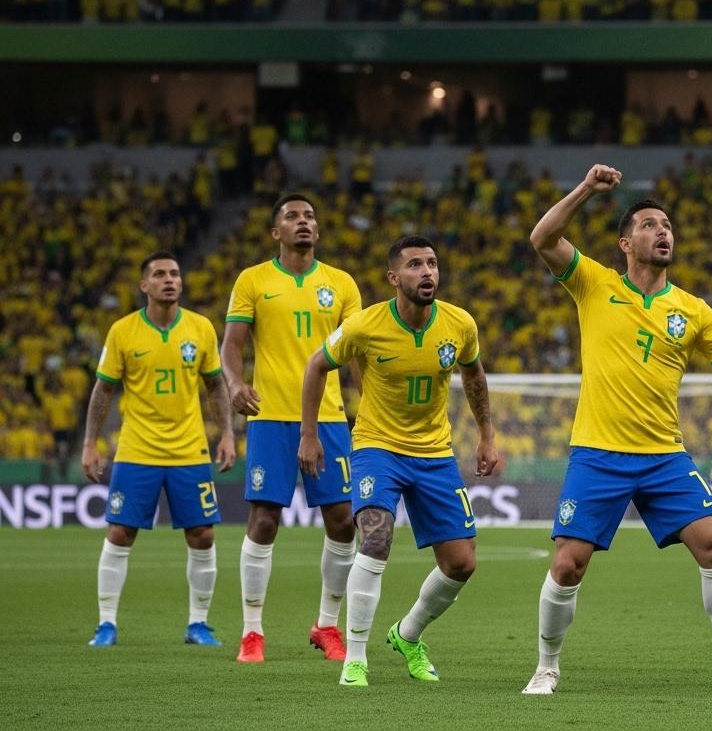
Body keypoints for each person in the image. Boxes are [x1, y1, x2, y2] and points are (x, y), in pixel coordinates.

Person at [521, 165, 712, 696]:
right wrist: (586, 189)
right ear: (625, 243)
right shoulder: (593, 283)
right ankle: (546, 667)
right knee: (568, 565)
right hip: (598, 453)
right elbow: (542, 237)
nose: (663, 232)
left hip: (663, 456)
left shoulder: (693, 310)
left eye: (668, 226)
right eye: (650, 225)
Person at [298, 235, 501, 687]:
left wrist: (487, 434)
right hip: (378, 448)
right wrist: (309, 435)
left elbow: (473, 373)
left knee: (461, 563)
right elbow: (316, 366)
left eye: (432, 263)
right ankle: (355, 658)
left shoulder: (459, 323)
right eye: (414, 265)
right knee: (375, 539)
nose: (427, 272)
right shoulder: (364, 325)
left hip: (434, 453)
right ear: (394, 277)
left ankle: (408, 635)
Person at [222, 194, 363, 663]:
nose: (302, 222)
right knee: (264, 519)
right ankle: (252, 631)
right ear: (275, 232)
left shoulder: (341, 283)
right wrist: (235, 382)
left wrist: (369, 403)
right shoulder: (253, 280)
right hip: (270, 417)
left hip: (328, 418)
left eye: (309, 216)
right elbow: (232, 344)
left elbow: (358, 352)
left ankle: (327, 625)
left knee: (342, 520)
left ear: (317, 231)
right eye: (291, 216)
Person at [82, 251, 236, 647]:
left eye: (175, 274)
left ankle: (198, 624)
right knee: (120, 532)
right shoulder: (123, 331)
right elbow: (103, 390)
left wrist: (227, 434)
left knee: (202, 534)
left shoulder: (200, 328)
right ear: (144, 285)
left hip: (189, 450)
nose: (169, 280)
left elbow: (216, 385)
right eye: (160, 274)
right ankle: (106, 624)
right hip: (137, 449)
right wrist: (89, 443)